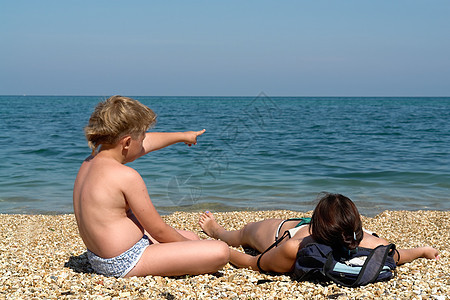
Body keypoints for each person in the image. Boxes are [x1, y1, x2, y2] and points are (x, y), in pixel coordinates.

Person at [73, 95, 229, 278]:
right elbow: (159, 230)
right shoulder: (126, 176)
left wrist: (182, 136)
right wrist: (189, 246)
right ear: (127, 142)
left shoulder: (89, 163)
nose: (145, 142)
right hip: (126, 260)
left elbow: (145, 144)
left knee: (194, 237)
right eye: (142, 137)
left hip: (99, 256)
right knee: (220, 251)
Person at [199, 193, 439, 274]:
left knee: (242, 235)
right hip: (319, 230)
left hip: (284, 232)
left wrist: (223, 251)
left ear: (315, 225)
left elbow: (253, 262)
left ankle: (216, 230)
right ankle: (217, 230)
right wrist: (423, 251)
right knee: (242, 235)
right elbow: (400, 255)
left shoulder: (295, 247)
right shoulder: (373, 244)